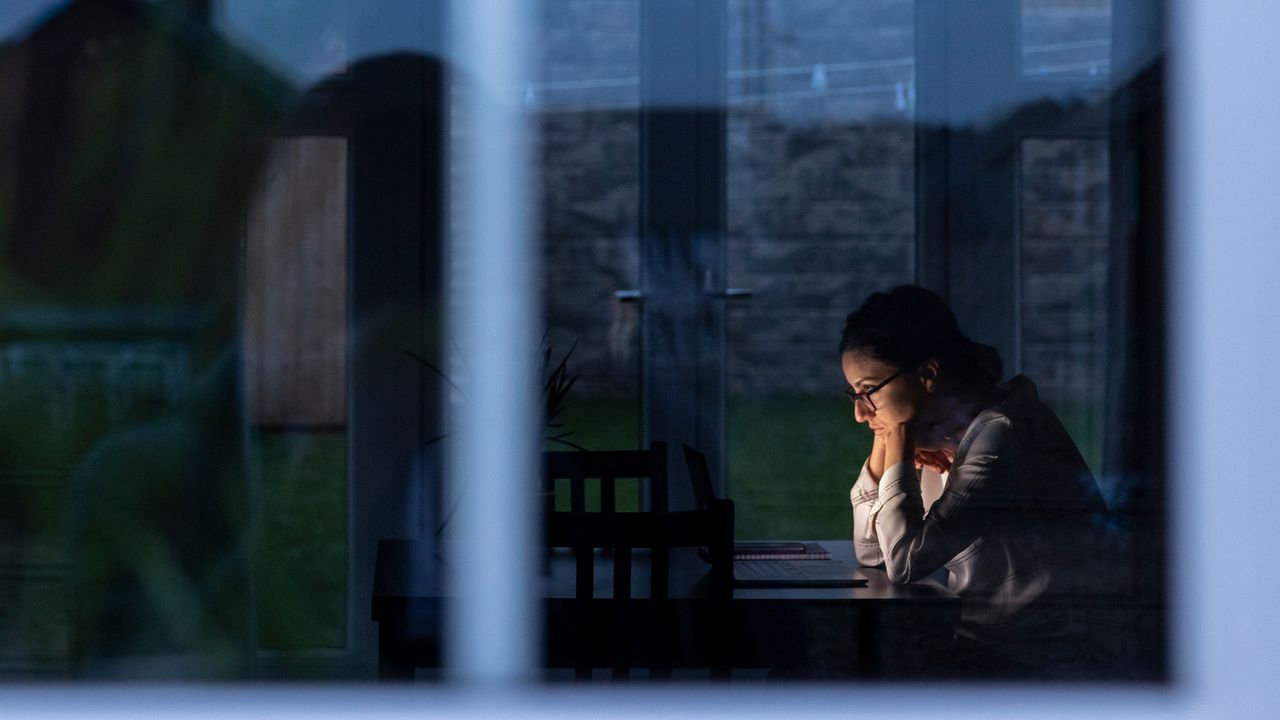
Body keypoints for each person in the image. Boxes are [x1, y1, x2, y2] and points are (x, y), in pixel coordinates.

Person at [842, 285, 1125, 678]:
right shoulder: (949, 432)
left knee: (836, 670)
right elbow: (872, 551)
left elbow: (905, 561)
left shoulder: (1003, 432)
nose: (860, 413)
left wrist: (900, 441)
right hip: (989, 644)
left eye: (869, 391)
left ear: (927, 374)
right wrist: (887, 440)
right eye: (854, 394)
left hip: (1045, 660)